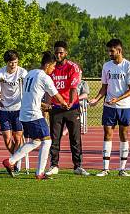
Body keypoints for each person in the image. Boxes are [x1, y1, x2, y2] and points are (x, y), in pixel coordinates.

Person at [2, 51, 68, 180]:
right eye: (53, 66)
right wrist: (65, 104)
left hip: (24, 113)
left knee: (36, 141)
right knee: (47, 141)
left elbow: (32, 94)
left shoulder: (31, 73)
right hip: (33, 114)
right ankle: (39, 173)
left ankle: (10, 161)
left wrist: (43, 105)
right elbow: (56, 95)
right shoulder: (44, 77)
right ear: (48, 64)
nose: (53, 69)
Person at [89, 38, 130, 177]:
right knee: (107, 134)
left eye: (112, 51)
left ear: (119, 50)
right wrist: (96, 99)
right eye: (109, 50)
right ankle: (105, 168)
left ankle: (122, 169)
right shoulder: (106, 66)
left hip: (124, 107)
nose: (109, 53)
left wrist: (118, 99)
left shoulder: (129, 66)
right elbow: (104, 87)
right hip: (109, 106)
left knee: (124, 135)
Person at [46, 41, 89, 176]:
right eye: (56, 52)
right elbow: (48, 89)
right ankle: (54, 165)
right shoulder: (51, 68)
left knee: (75, 138)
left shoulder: (73, 67)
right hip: (56, 108)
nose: (58, 55)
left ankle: (78, 166)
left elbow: (73, 88)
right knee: (55, 138)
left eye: (61, 52)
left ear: (66, 53)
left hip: (72, 108)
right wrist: (47, 106)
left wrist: (70, 103)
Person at [0, 50, 27, 172]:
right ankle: (14, 159)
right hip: (4, 108)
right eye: (11, 63)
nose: (14, 65)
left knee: (18, 137)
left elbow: (28, 87)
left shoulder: (22, 72)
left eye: (16, 62)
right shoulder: (0, 73)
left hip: (18, 109)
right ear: (7, 63)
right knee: (7, 139)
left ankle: (14, 163)